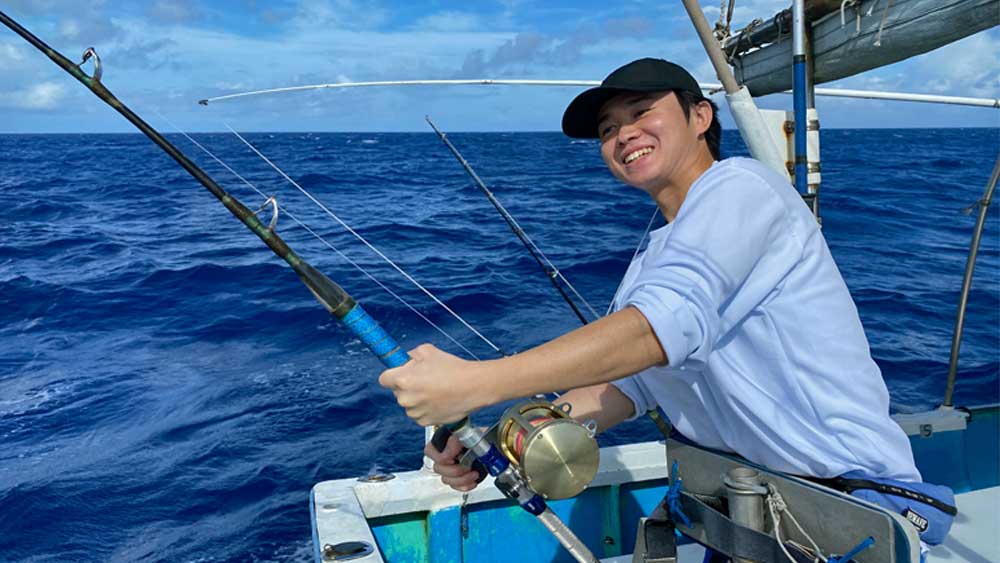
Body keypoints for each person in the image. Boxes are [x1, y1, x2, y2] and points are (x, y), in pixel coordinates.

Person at [378, 58, 954, 549]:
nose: (622, 134)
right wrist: (510, 438)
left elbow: (653, 333)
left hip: (849, 512)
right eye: (608, 129)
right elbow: (635, 384)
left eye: (640, 113)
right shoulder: (657, 253)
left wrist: (479, 382)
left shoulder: (743, 188)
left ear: (700, 116)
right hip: (744, 515)